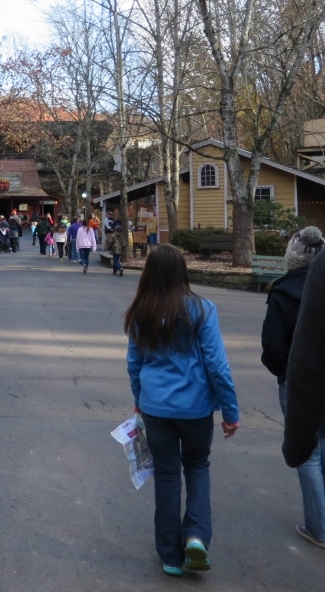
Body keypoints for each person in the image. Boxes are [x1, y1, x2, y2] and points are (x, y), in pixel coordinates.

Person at [125, 244, 240, 577]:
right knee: (197, 466)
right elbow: (217, 365)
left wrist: (139, 397)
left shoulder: (140, 312)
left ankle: (170, 556)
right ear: (182, 272)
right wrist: (230, 411)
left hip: (155, 407)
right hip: (196, 409)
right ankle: (195, 536)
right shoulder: (202, 310)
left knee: (166, 475)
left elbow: (134, 364)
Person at [261, 227, 325, 549]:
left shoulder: (282, 292)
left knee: (306, 452)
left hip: (301, 382)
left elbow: (272, 344)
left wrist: (281, 370)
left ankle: (319, 528)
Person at [282, 230, 325, 560]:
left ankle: (320, 527)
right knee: (324, 437)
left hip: (323, 390)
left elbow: (309, 364)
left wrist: (296, 441)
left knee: (314, 445)